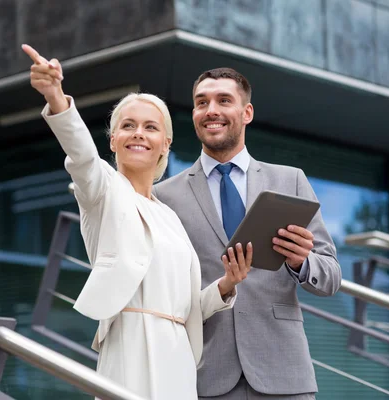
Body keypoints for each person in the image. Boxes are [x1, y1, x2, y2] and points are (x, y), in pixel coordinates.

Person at [22, 45, 251, 399]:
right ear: (113, 140)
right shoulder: (102, 190)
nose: (139, 133)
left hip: (178, 356)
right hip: (129, 348)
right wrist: (56, 97)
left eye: (150, 127)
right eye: (127, 126)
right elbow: (81, 154)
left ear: (165, 144)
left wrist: (226, 285)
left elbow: (188, 307)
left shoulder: (170, 217)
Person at [152, 68, 342, 400]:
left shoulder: (290, 181)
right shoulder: (165, 196)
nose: (211, 110)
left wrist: (302, 262)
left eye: (224, 100)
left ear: (247, 113)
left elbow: (331, 277)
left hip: (284, 375)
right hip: (205, 378)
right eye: (201, 102)